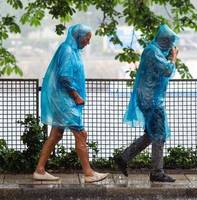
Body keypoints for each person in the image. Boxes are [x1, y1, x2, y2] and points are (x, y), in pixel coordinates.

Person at [33, 24, 109, 183]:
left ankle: (39, 170)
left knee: (55, 135)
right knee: (81, 134)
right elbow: (64, 77)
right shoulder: (67, 50)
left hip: (64, 99)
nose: (88, 42)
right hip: (65, 100)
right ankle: (88, 174)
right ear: (78, 36)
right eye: (87, 38)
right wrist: (75, 96)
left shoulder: (72, 50)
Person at [114, 24, 179, 182]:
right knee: (159, 135)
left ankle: (124, 157)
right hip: (152, 101)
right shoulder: (153, 52)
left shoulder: (153, 50)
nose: (171, 46)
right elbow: (167, 70)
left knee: (151, 134)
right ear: (165, 41)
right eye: (170, 42)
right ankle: (157, 172)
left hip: (148, 98)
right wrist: (173, 57)